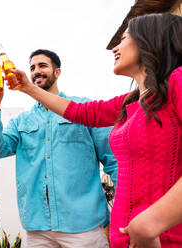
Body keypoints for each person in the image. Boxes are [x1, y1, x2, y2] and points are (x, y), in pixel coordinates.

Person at [11, 13, 182, 248]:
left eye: (124, 38)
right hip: (129, 238)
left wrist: (150, 223)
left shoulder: (177, 82)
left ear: (149, 41)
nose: (115, 47)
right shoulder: (130, 101)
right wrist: (29, 89)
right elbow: (80, 112)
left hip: (166, 238)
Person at [0, 49, 117, 247]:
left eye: (42, 65)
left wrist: (128, 210)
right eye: (32, 68)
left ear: (57, 72)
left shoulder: (84, 108)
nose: (36, 71)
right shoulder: (21, 121)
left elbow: (113, 161)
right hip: (38, 230)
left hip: (84, 227)